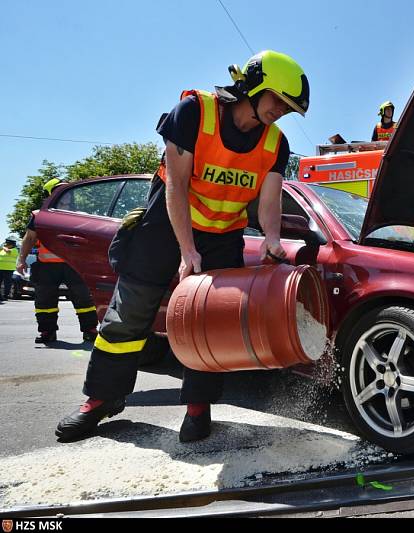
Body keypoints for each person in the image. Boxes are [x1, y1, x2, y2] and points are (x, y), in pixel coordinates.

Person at [55, 50, 309, 443]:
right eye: (278, 99)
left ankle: (198, 408)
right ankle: (102, 399)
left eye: (289, 108)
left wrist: (273, 241)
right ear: (253, 85)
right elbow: (176, 185)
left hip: (223, 237)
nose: (281, 111)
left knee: (208, 323)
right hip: (165, 226)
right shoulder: (193, 112)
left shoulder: (277, 143)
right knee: (130, 312)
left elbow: (271, 200)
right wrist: (188, 251)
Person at [16, 179, 99, 343]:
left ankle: (90, 330)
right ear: (51, 194)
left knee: (84, 299)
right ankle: (47, 332)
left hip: (74, 265)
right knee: (45, 301)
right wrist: (21, 259)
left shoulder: (79, 215)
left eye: (67, 190)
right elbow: (30, 238)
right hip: (47, 267)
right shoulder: (39, 215)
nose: (65, 195)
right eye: (59, 190)